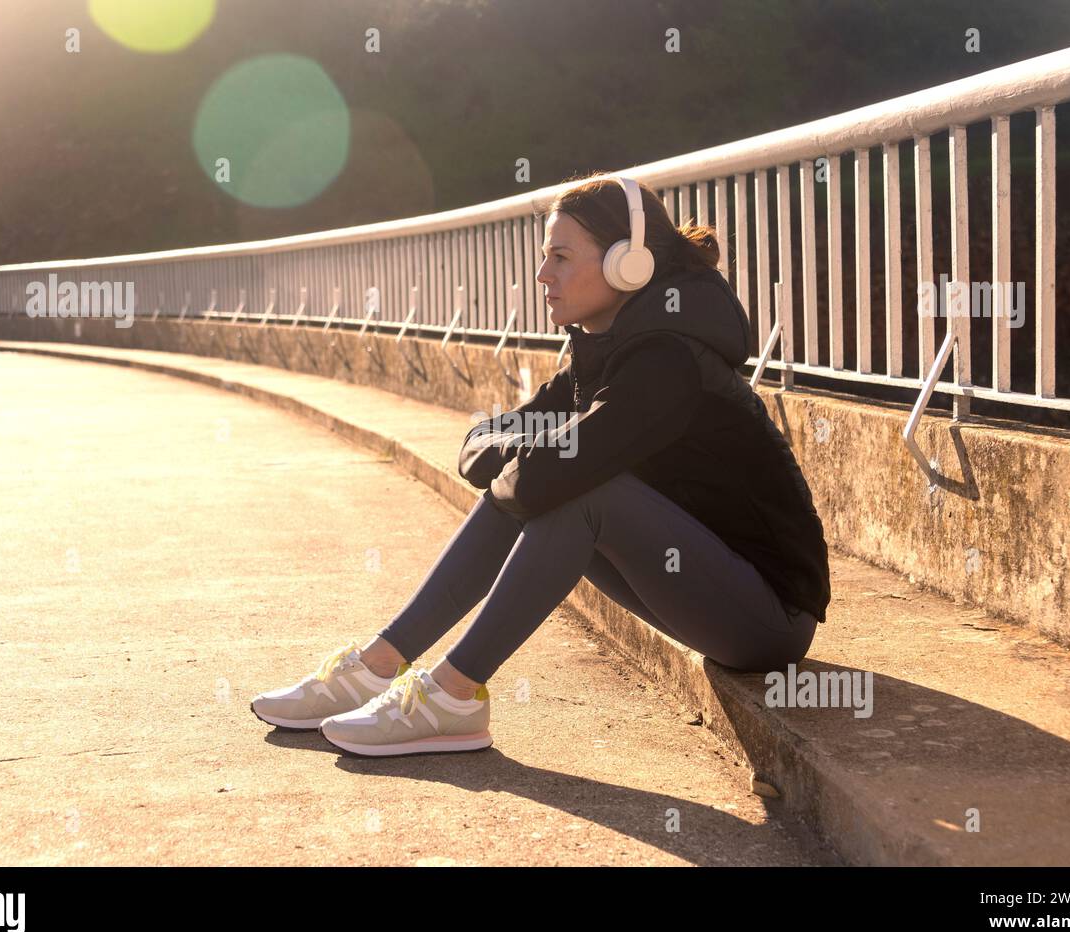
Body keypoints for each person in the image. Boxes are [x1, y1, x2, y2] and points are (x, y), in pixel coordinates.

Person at [251, 172, 832, 757]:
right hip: (698, 585)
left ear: (626, 263)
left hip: (766, 619)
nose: (541, 274)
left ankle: (451, 695)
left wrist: (537, 454)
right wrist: (534, 449)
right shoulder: (604, 348)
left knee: (576, 492)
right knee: (551, 477)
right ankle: (377, 666)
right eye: (543, 256)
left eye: (560, 256)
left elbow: (544, 475)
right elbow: (482, 443)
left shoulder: (668, 362)